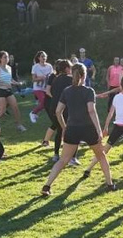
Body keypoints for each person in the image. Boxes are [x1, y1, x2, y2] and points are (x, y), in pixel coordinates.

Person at [41, 63, 116, 196]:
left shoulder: (67, 91)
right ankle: (110, 184)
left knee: (63, 160)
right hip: (88, 129)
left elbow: (58, 112)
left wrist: (64, 128)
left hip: (72, 129)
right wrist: (99, 130)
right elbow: (91, 111)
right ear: (84, 75)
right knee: (101, 156)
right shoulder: (89, 91)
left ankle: (46, 186)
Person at [84, 75, 123, 177]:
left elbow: (110, 113)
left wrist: (106, 127)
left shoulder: (117, 97)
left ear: (121, 86)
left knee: (104, 150)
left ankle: (88, 169)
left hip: (117, 126)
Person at [48, 60, 80, 165]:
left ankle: (56, 155)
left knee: (59, 131)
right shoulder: (70, 79)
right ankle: (72, 157)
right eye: (70, 67)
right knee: (74, 132)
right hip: (65, 109)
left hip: (53, 108)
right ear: (67, 68)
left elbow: (52, 92)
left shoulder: (55, 79)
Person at [0, 51, 26, 132]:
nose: (7, 59)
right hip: (0, 90)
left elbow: (10, 79)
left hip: (8, 90)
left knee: (15, 107)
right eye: (5, 57)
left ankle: (19, 125)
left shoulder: (9, 68)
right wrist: (3, 83)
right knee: (2, 110)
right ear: (0, 58)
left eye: (7, 57)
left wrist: (17, 83)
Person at [29, 51, 53, 123]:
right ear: (39, 58)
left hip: (47, 88)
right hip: (38, 88)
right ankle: (33, 113)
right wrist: (41, 78)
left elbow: (51, 77)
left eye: (45, 56)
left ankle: (52, 118)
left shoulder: (49, 66)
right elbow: (33, 79)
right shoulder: (35, 67)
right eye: (42, 56)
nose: (44, 58)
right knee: (44, 102)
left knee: (48, 104)